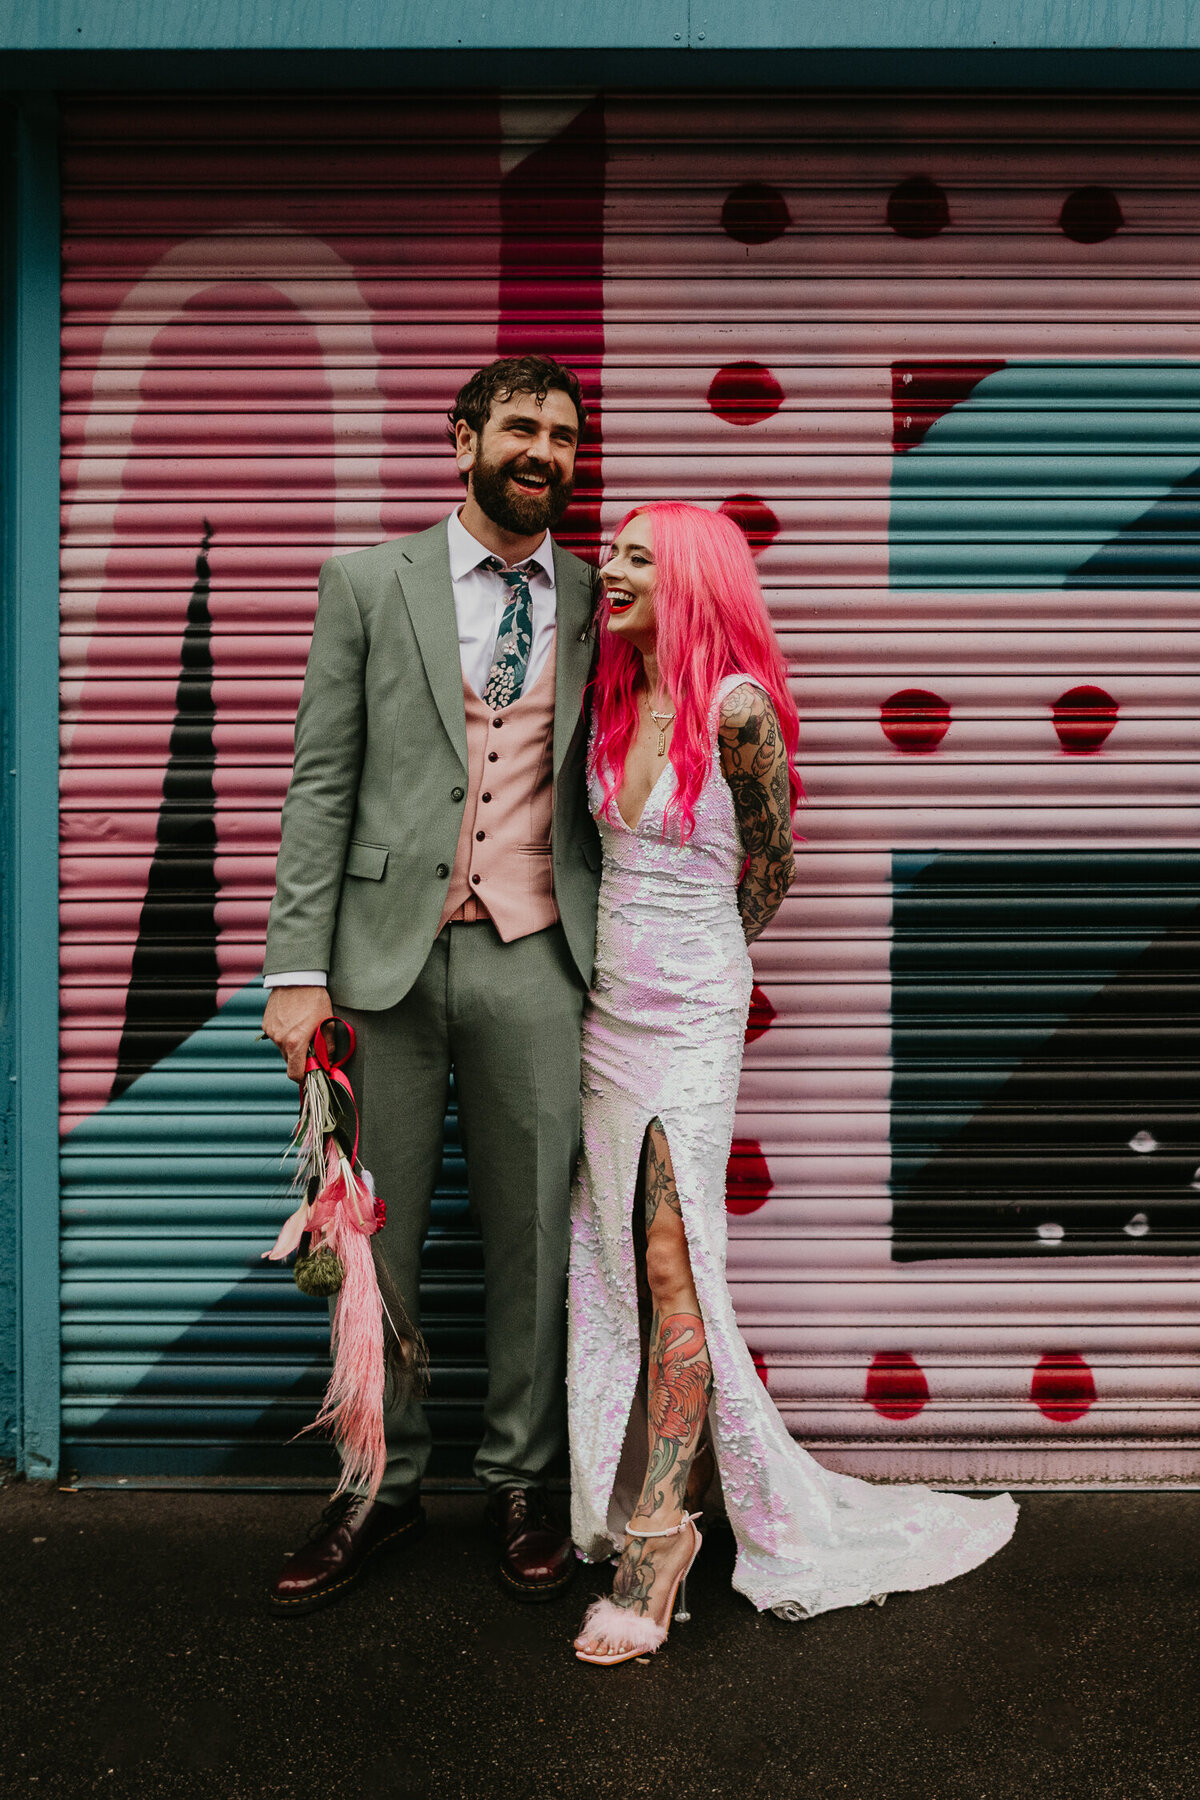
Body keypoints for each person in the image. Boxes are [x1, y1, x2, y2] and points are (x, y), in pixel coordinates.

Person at [568, 502, 1018, 1665]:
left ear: (692, 580)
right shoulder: (614, 699)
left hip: (690, 1024)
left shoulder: (739, 713)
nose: (606, 568)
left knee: (673, 1262)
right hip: (601, 1022)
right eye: (609, 551)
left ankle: (660, 1535)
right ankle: (634, 1492)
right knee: (614, 1260)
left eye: (633, 557)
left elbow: (768, 868)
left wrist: (710, 962)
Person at [261, 354, 601, 1614]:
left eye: (564, 436)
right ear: (463, 438)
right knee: (372, 1248)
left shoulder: (593, 592)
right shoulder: (366, 583)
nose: (545, 453)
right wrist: (297, 970)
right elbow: (319, 780)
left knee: (529, 1239)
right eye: (521, 427)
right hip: (377, 963)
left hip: (537, 953)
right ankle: (377, 1486)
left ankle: (521, 1481)